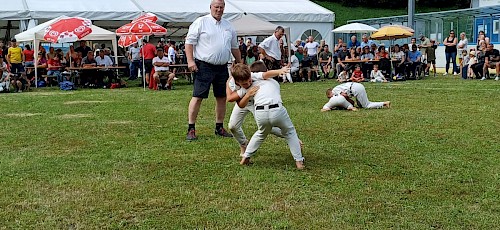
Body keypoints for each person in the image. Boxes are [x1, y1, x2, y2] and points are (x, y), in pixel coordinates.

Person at [185, 0, 242, 141]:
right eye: (216, 7)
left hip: (222, 67)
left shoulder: (228, 26)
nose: (219, 9)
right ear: (211, 7)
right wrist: (190, 61)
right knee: (198, 96)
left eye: (221, 7)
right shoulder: (201, 22)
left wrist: (240, 63)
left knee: (222, 97)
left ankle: (219, 127)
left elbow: (234, 47)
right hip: (203, 66)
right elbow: (189, 42)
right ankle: (191, 129)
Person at [231, 63, 305, 169]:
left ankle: (246, 157)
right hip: (277, 109)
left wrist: (247, 94)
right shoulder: (274, 82)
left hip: (260, 112)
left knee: (261, 133)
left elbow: (238, 102)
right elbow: (267, 75)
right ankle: (299, 162)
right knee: (290, 132)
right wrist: (280, 71)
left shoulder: (251, 86)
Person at [227, 62, 288, 156]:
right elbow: (237, 102)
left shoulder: (252, 75)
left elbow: (266, 74)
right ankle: (243, 144)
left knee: (266, 126)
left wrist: (280, 71)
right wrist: (247, 94)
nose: (248, 84)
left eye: (249, 81)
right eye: (244, 84)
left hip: (256, 103)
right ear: (237, 81)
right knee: (232, 126)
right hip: (244, 101)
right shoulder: (232, 83)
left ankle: (290, 136)